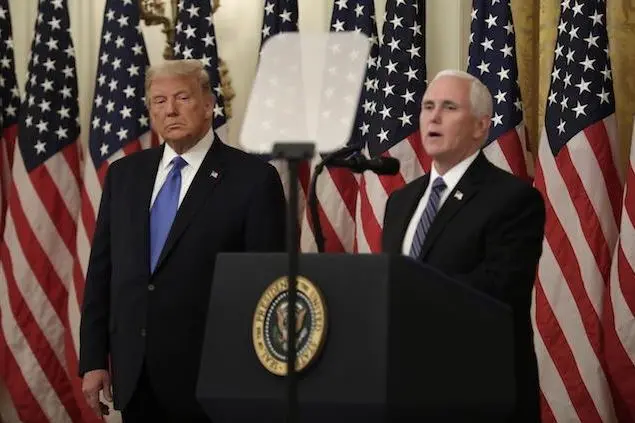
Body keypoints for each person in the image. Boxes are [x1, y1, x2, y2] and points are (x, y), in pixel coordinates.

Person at [79, 59, 287, 422]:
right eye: (159, 101)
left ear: (208, 105)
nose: (170, 110)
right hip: (136, 376)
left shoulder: (254, 179)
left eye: (182, 98)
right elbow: (102, 273)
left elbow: (267, 285)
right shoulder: (124, 175)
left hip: (214, 379)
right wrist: (94, 359)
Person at [382, 69, 545, 423]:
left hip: (477, 391)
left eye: (449, 107)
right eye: (428, 106)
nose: (434, 117)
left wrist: (407, 295)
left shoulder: (513, 199)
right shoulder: (400, 201)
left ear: (480, 126)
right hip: (404, 388)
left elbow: (499, 290)